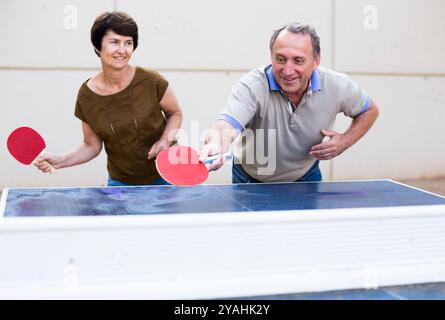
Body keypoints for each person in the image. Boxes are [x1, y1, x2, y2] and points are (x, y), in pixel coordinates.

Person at [199, 22, 379, 183]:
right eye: (280, 59)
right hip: (250, 178)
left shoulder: (337, 85)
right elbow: (227, 125)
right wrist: (215, 144)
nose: (287, 70)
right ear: (271, 57)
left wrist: (344, 141)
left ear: (316, 61)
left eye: (298, 60)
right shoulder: (252, 86)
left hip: (306, 176)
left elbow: (370, 110)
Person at [35, 11, 182, 186]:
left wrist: (165, 141)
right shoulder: (87, 95)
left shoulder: (152, 81)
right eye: (114, 42)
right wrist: (61, 160)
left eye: (128, 43)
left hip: (169, 175)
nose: (122, 50)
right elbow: (91, 145)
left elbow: (175, 113)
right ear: (98, 46)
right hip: (121, 184)